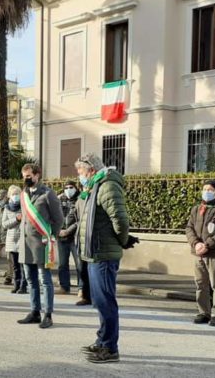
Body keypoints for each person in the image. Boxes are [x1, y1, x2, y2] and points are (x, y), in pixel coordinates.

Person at [75, 153, 129, 364]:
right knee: (99, 301)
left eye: (80, 171)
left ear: (91, 169)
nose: (79, 175)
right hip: (94, 252)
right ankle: (102, 340)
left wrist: (122, 241)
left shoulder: (107, 186)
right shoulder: (93, 187)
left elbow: (120, 219)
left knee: (105, 301)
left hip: (103, 253)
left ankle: (110, 347)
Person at [17, 164, 63, 329]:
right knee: (30, 279)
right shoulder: (23, 194)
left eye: (28, 176)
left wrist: (51, 236)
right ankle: (34, 311)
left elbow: (59, 219)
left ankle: (48, 314)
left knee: (45, 280)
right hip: (26, 244)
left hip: (41, 243)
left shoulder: (48, 194)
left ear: (37, 175)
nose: (26, 179)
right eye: (24, 176)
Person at [185, 179, 215, 327]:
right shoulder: (197, 209)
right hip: (198, 253)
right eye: (205, 189)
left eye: (210, 189)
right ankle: (203, 312)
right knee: (200, 284)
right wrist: (196, 243)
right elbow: (189, 228)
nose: (207, 192)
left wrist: (207, 245)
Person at [57, 180, 82, 295]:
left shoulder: (80, 198)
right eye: (66, 187)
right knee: (62, 264)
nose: (68, 189)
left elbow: (81, 220)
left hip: (75, 237)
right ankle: (64, 286)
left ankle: (82, 288)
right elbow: (54, 216)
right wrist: (58, 230)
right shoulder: (59, 199)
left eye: (71, 187)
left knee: (79, 264)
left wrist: (68, 231)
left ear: (75, 188)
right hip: (61, 237)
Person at [2, 185, 27, 294]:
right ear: (9, 196)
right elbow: (4, 224)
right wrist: (16, 219)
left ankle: (23, 286)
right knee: (15, 266)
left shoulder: (25, 206)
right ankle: (16, 285)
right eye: (13, 194)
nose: (15, 196)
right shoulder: (7, 208)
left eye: (17, 194)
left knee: (23, 266)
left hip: (23, 239)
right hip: (12, 240)